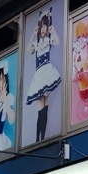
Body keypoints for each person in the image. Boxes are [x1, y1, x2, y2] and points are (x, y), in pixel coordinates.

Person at [26, 8, 61, 142]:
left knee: (45, 109)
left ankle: (42, 138)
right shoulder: (36, 42)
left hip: (47, 72)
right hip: (39, 74)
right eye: (42, 26)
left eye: (45, 27)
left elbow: (57, 42)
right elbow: (29, 49)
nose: (43, 29)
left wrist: (53, 30)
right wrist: (32, 34)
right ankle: (37, 139)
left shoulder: (48, 40)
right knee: (40, 110)